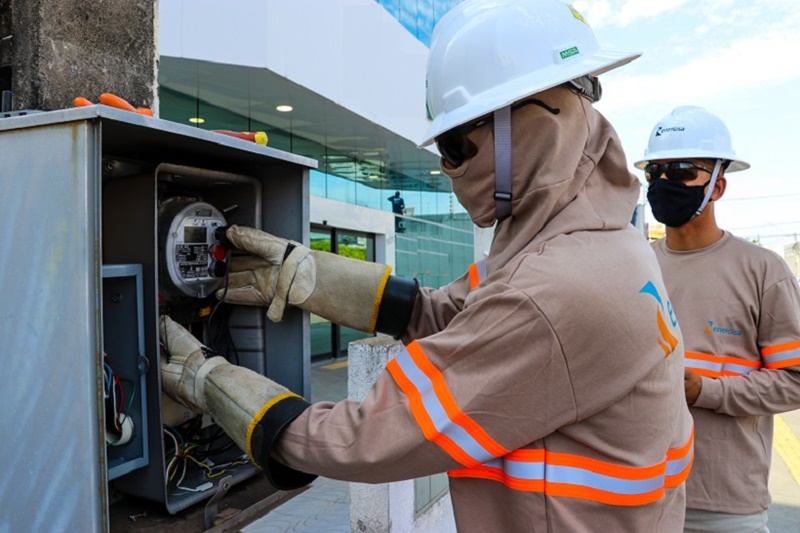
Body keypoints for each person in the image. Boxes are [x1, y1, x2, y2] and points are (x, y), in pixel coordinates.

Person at [159, 1, 693, 530]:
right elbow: (450, 313)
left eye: (456, 144)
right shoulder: (591, 244)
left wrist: (212, 383)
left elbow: (369, 437)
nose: (447, 167)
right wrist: (304, 277)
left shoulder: (556, 288)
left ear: (531, 127)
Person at [636, 106, 800, 533]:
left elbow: (796, 379)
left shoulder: (763, 271)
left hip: (725, 507)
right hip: (639, 494)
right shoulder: (634, 267)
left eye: (683, 170)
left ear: (718, 186)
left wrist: (706, 391)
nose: (666, 183)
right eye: (656, 172)